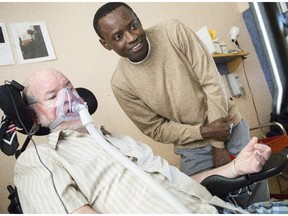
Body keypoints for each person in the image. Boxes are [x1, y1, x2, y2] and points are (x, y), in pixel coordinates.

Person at [13, 68, 279, 214]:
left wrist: (235, 168)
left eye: (69, 87)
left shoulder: (118, 141)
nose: (68, 98)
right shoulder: (41, 159)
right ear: (33, 115)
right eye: (53, 95)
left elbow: (176, 183)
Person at [92, 2, 269, 208]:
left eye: (133, 26)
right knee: (195, 201)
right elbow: (156, 129)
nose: (131, 37)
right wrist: (204, 132)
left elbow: (212, 83)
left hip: (229, 125)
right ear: (105, 44)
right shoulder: (121, 84)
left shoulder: (173, 31)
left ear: (138, 20)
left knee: (257, 189)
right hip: (192, 146)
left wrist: (217, 144)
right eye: (118, 36)